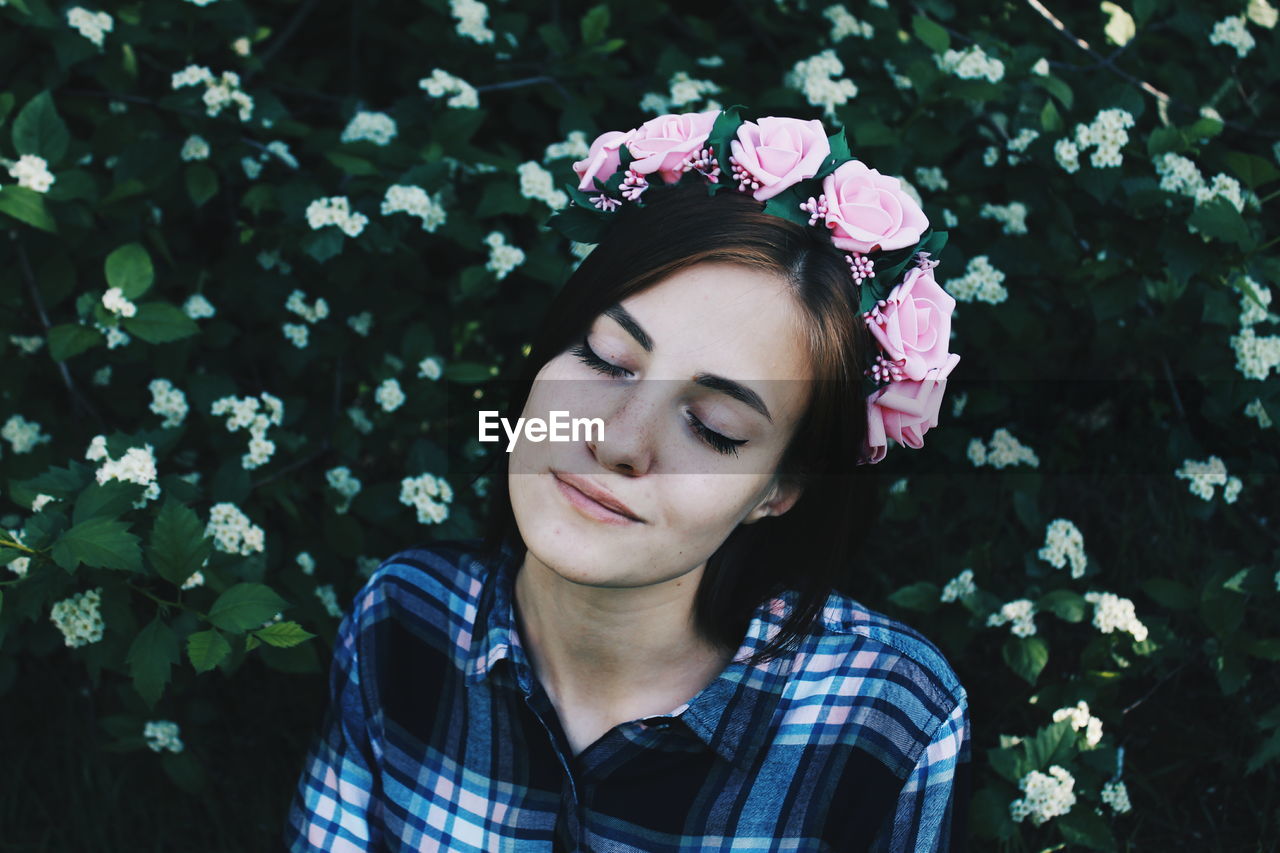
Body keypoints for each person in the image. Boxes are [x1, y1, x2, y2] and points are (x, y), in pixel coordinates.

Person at [285, 108, 969, 852]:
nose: (616, 441)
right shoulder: (404, 619)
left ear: (779, 489)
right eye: (607, 358)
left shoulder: (886, 718)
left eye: (714, 426)